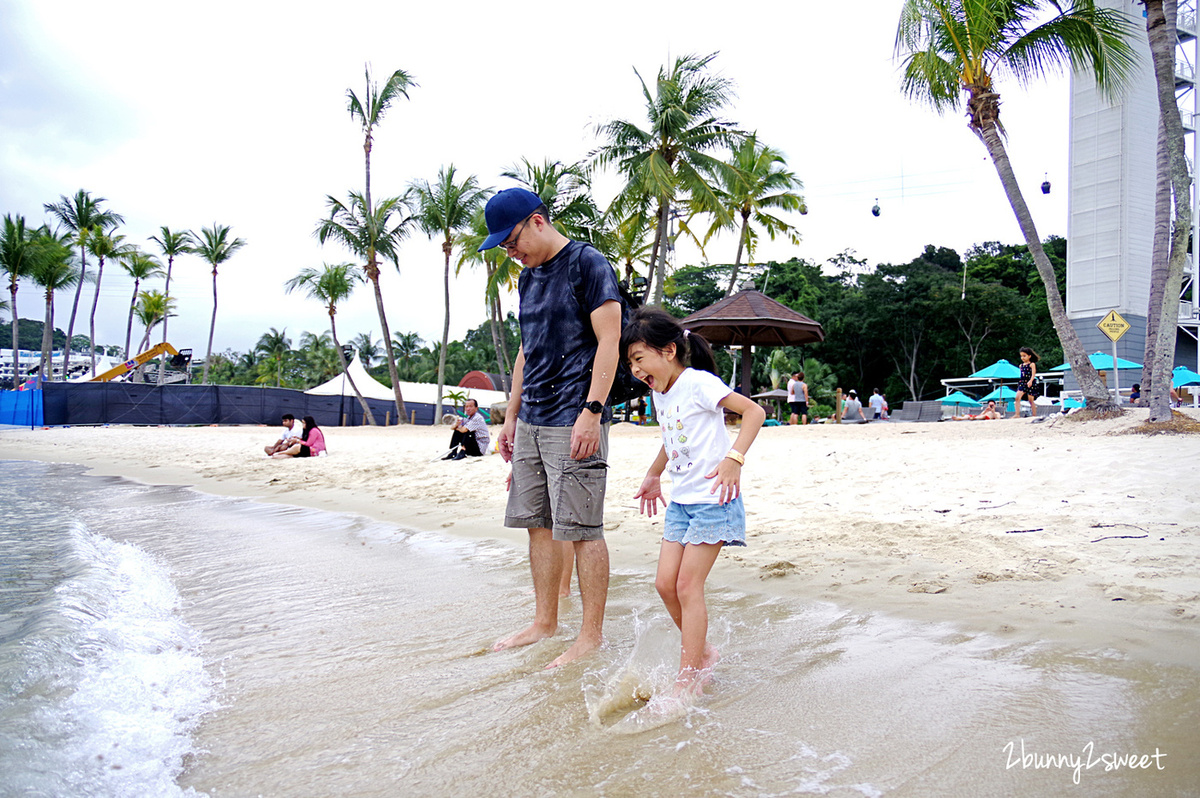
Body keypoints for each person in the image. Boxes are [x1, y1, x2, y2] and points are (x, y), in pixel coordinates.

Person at [484, 187, 621, 669]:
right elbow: (527, 350)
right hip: (533, 419)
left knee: (583, 529)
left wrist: (593, 410)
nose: (510, 251)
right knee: (537, 527)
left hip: (575, 416)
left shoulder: (588, 263)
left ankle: (591, 635)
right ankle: (545, 622)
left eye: (511, 240)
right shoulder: (526, 279)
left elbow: (610, 341)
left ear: (537, 221)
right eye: (503, 247)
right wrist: (511, 416)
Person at [623, 306, 765, 698]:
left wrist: (733, 459)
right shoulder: (659, 393)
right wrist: (653, 474)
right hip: (682, 503)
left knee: (688, 585)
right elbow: (672, 439)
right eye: (631, 363)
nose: (635, 370)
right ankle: (703, 652)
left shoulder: (700, 383)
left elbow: (754, 412)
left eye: (639, 358)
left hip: (713, 500)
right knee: (664, 584)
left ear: (668, 351)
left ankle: (688, 676)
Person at [1015, 347, 1041, 418]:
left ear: (1029, 356)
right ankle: (1017, 414)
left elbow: (1033, 374)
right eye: (1021, 356)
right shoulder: (1021, 365)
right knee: (1017, 397)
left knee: (1031, 400)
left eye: (1024, 356)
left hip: (1030, 382)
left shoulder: (1032, 364)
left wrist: (1031, 381)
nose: (1022, 358)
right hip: (1022, 382)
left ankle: (1034, 415)